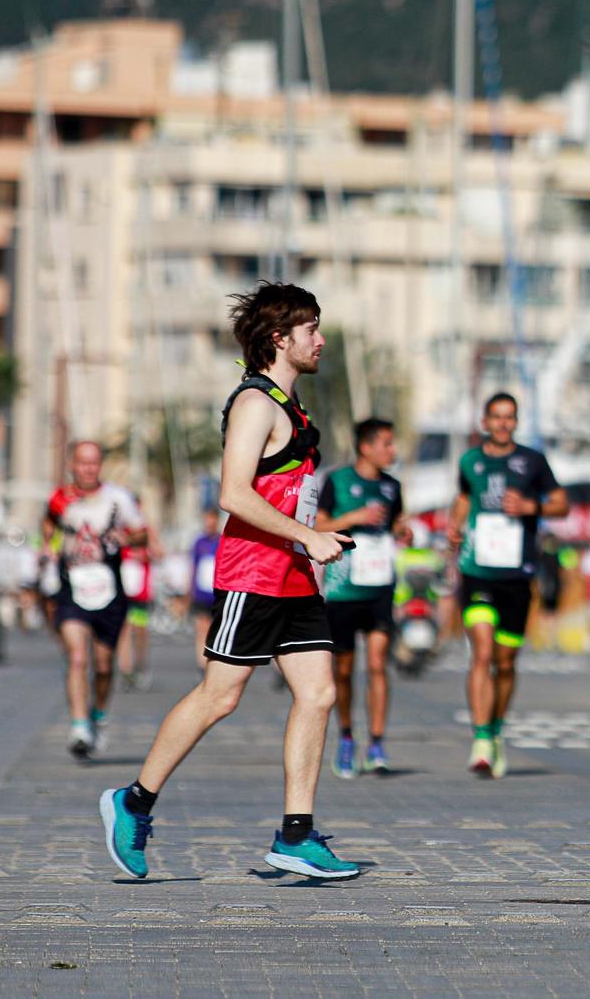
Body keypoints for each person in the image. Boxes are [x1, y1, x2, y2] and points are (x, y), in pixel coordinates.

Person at [101, 281, 358, 882]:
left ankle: (296, 834)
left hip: (295, 575)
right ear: (279, 339)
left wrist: (317, 539)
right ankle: (133, 802)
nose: (320, 341)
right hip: (254, 574)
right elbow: (233, 495)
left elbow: (286, 492)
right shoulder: (254, 404)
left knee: (319, 693)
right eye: (311, 330)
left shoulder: (293, 408)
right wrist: (307, 537)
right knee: (221, 696)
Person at [448, 392, 567, 778]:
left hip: (517, 574)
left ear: (516, 422)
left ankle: (496, 729)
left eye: (509, 417)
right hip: (478, 569)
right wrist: (454, 524)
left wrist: (533, 508)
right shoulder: (470, 460)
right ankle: (481, 737)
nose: (501, 423)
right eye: (495, 417)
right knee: (481, 651)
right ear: (485, 421)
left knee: (505, 661)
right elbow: (465, 498)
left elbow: (561, 504)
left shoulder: (533, 461)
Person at [316, 416, 410, 778]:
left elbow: (397, 522)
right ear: (366, 446)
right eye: (386, 443)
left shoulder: (392, 486)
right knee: (343, 669)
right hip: (343, 587)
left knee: (376, 663)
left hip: (380, 584)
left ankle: (376, 742)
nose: (392, 450)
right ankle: (346, 736)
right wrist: (355, 516)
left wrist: (404, 530)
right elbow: (317, 525)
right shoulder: (337, 481)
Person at [44, 440, 148, 758]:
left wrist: (126, 537)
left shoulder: (118, 498)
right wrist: (51, 545)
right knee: (77, 656)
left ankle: (98, 714)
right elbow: (49, 525)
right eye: (82, 462)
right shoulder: (60, 499)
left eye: (94, 463)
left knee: (103, 665)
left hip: (109, 590)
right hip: (72, 587)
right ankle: (78, 726)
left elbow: (142, 531)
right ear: (72, 465)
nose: (88, 468)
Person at [118, 526, 158, 691]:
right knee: (125, 633)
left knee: (140, 632)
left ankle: (140, 665)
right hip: (124, 597)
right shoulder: (121, 541)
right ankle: (125, 670)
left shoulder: (146, 542)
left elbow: (159, 552)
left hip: (141, 597)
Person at [188, 507, 221, 664]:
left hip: (216, 594)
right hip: (201, 594)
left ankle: (213, 663)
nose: (209, 523)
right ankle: (201, 666)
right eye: (206, 519)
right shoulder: (199, 543)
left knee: (215, 632)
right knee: (201, 630)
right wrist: (189, 591)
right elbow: (193, 567)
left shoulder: (222, 541)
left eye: (212, 519)